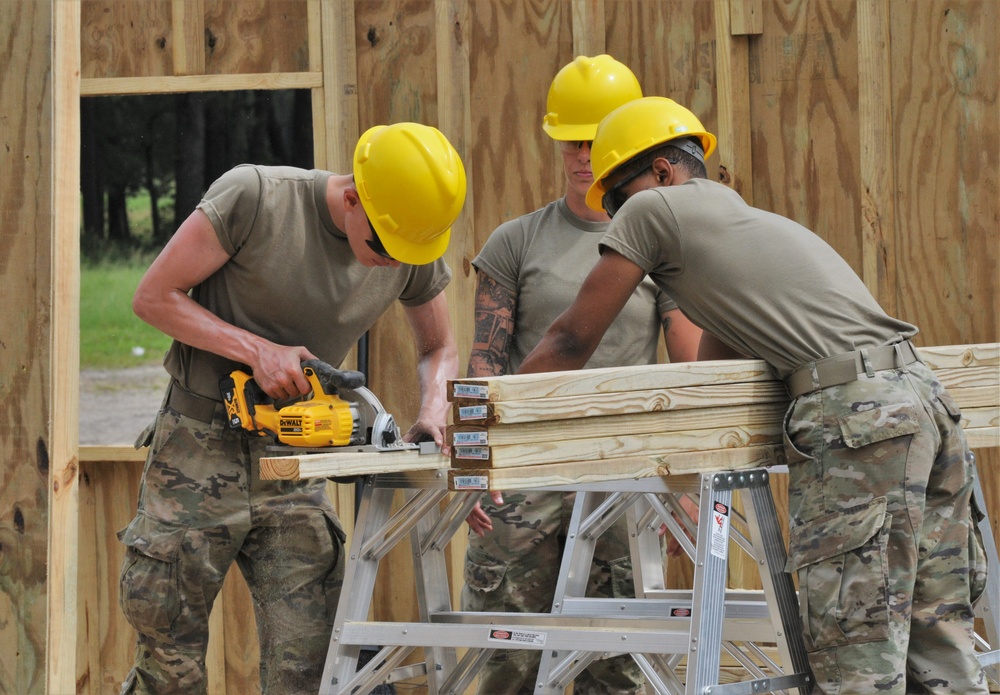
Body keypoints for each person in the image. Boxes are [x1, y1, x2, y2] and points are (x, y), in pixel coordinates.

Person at [516, 95, 989, 694]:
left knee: (856, 653)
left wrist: (486, 418)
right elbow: (718, 358)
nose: (613, 217)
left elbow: (571, 336)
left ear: (662, 171)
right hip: (924, 401)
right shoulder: (739, 228)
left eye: (615, 199)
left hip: (859, 421)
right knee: (937, 641)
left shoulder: (655, 210)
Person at [117, 122, 466, 695]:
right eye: (383, 246)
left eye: (408, 252)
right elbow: (153, 296)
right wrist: (255, 350)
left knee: (311, 669)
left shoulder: (407, 235)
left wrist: (433, 409)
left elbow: (439, 347)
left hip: (300, 460)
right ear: (352, 196)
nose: (392, 263)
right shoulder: (255, 197)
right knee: (168, 663)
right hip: (197, 450)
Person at [460, 57, 702, 695]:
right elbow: (483, 364)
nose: (584, 155)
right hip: (524, 480)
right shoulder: (516, 241)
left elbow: (694, 369)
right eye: (572, 140)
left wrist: (686, 485)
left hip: (624, 476)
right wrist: (471, 469)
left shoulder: (661, 246)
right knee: (505, 658)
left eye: (596, 140)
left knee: (618, 668)